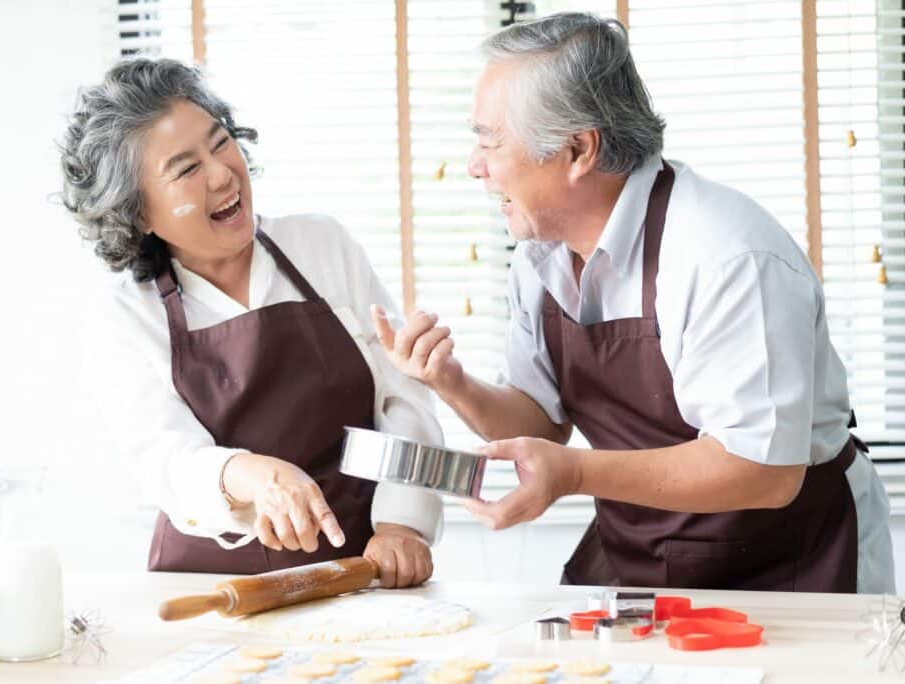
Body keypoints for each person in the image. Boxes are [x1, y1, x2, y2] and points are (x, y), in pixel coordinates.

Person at [372, 12, 894, 593]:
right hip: (645, 559)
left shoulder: (723, 256)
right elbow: (542, 421)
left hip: (795, 560)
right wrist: (453, 383)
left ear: (578, 149)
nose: (475, 167)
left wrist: (572, 474)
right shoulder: (540, 257)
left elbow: (763, 470)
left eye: (489, 141)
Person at [61, 58, 441, 586]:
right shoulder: (125, 315)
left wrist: (403, 523)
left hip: (359, 568)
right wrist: (251, 474)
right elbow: (167, 460)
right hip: (214, 588)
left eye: (221, 143)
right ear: (138, 212)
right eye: (187, 169)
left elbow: (406, 397)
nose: (222, 174)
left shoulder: (322, 246)